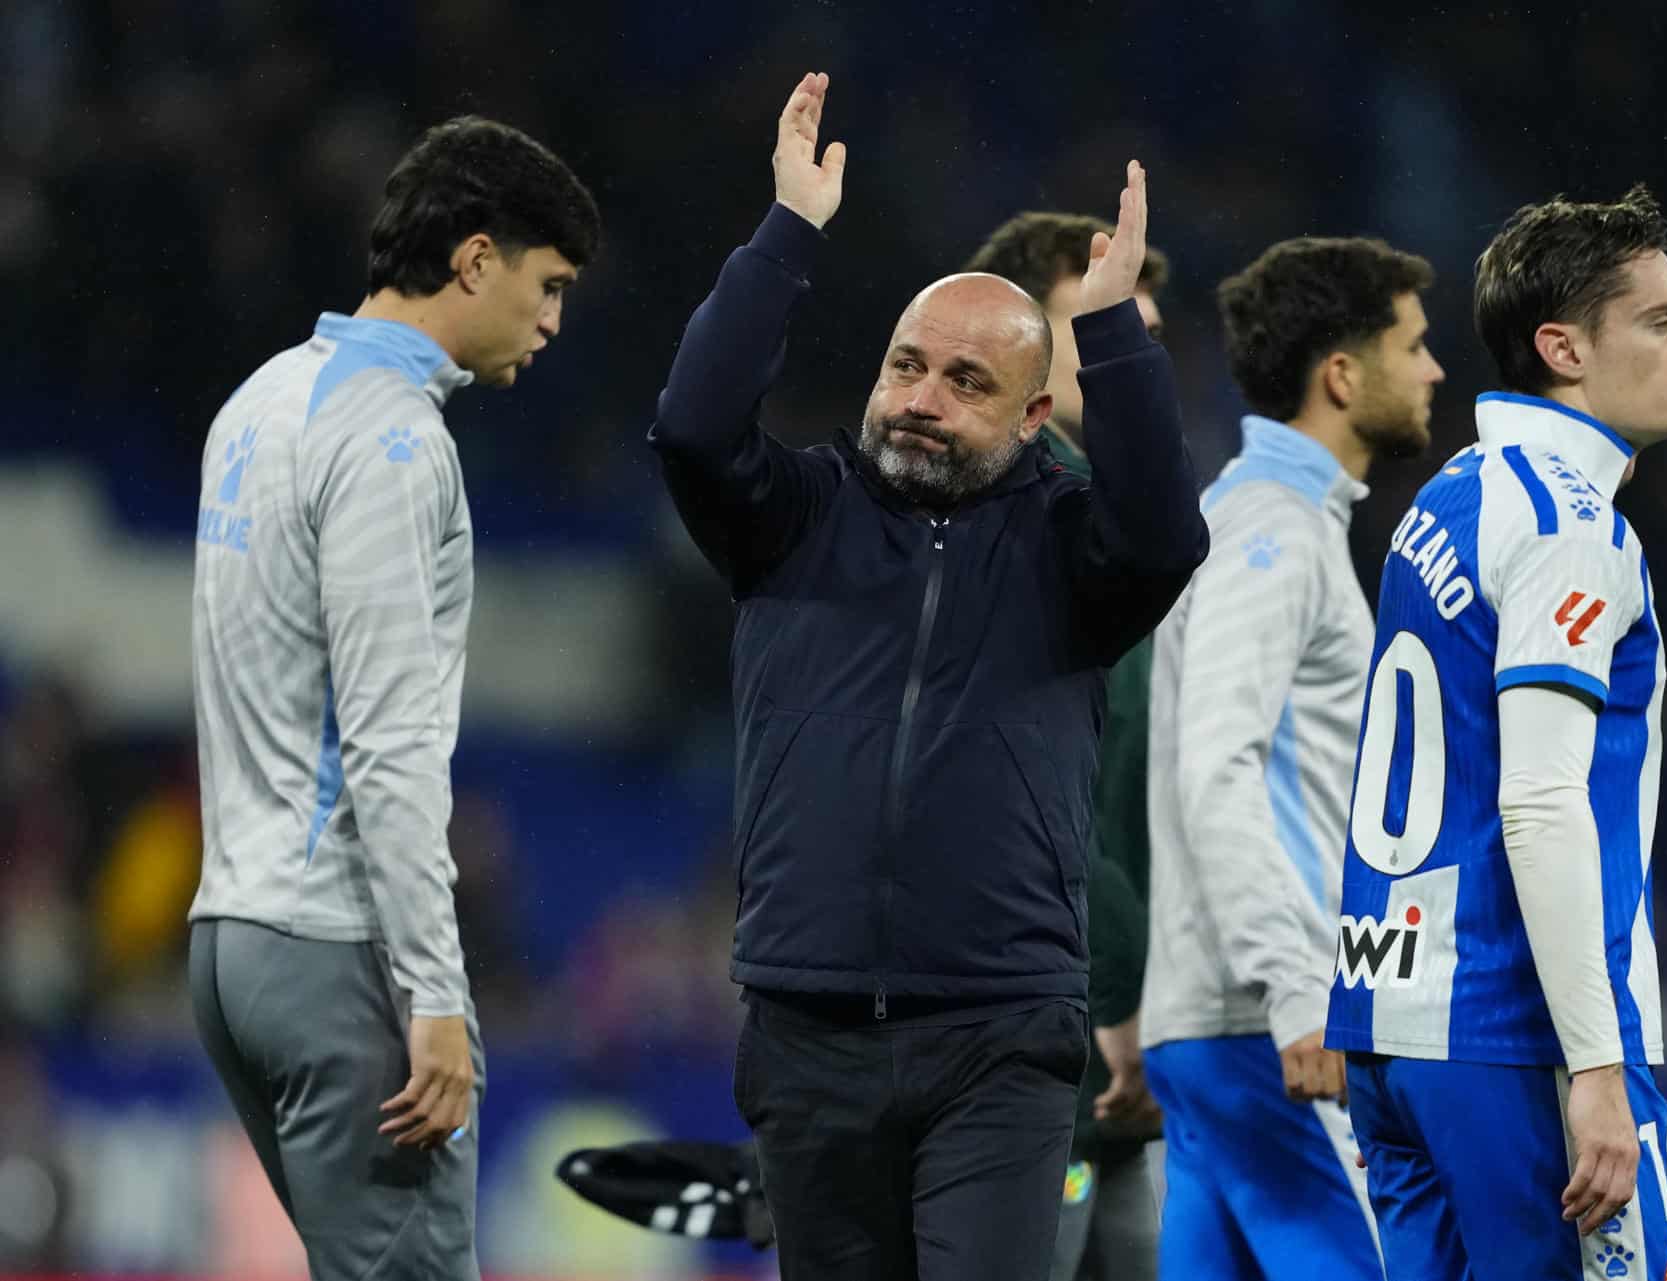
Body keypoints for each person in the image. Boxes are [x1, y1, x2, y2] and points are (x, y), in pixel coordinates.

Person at [648, 73, 1207, 1280]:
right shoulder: (795, 514)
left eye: (965, 384)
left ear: (1035, 411)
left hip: (1001, 1039)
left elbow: (1166, 535)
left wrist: (1113, 332)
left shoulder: (1072, 546)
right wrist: (787, 233)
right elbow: (692, 427)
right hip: (806, 1023)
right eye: (907, 367)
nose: (919, 402)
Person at [187, 116, 600, 1279]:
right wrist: (433, 989)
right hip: (339, 950)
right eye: (549, 284)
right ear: (476, 260)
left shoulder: (258, 403)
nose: (555, 321)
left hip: (232, 938)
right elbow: (388, 747)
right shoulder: (396, 445)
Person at [1325, 185, 1667, 1280]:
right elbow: (1539, 801)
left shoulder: (1453, 492)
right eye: (1661, 318)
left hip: (1387, 1022)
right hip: (1515, 1035)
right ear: (1563, 348)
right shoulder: (1570, 530)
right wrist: (1597, 1065)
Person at [1142, 237, 1444, 1279]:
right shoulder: (1270, 532)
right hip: (1270, 1029)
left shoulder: (1257, 521)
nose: (1435, 370)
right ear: (1343, 375)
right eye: (1414, 345)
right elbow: (1217, 766)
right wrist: (1299, 991)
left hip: (1221, 1025)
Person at [965, 212, 1173, 1281]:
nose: (1140, 345)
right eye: (1106, 316)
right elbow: (1037, 801)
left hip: (1109, 1038)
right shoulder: (1012, 520)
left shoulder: (1102, 519)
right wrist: (1103, 1008)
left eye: (1146, 322)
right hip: (1055, 1038)